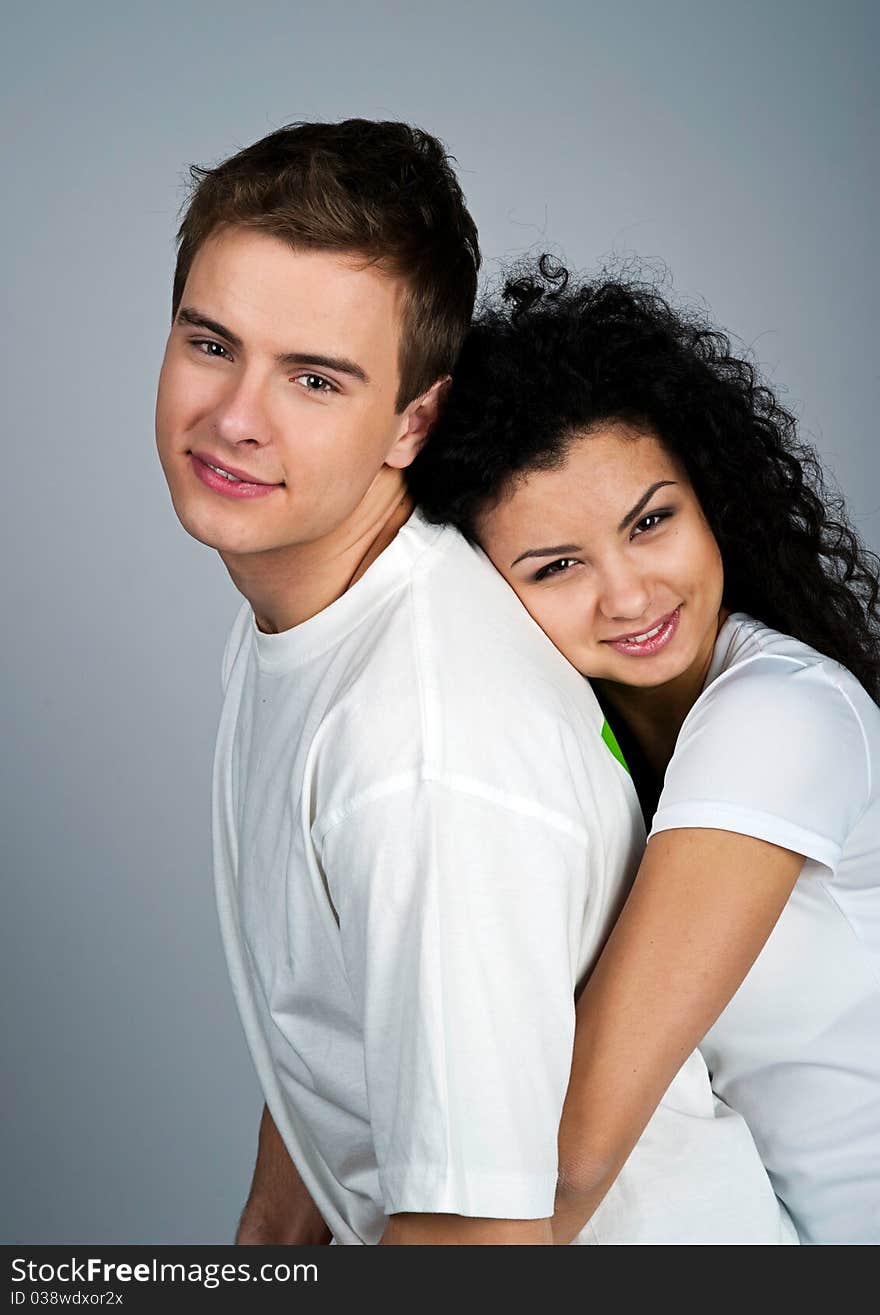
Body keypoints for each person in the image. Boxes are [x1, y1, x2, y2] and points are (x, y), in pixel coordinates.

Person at [156, 123, 795, 1246]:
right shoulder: (319, 621)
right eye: (212, 345)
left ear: (413, 421)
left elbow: (480, 1247)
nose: (236, 418)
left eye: (313, 377)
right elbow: (337, 1020)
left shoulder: (420, 743)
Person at [409, 257, 880, 1244]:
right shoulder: (583, 747)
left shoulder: (780, 715)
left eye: (650, 520)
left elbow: (575, 1156)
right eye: (557, 565)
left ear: (709, 496)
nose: (627, 595)